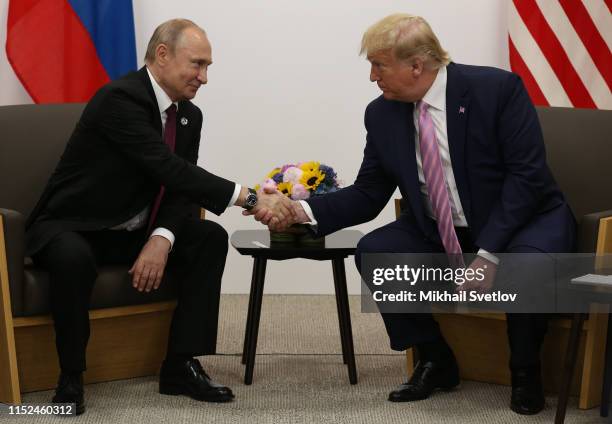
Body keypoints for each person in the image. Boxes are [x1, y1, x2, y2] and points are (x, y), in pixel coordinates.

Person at [252, 14, 575, 415]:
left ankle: (526, 371)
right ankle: (435, 359)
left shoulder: (495, 89)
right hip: (443, 227)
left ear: (416, 66)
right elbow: (370, 193)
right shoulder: (383, 113)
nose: (372, 76)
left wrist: (490, 252)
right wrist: (300, 210)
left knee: (525, 267)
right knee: (377, 251)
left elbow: (526, 178)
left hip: (524, 220)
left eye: (379, 65)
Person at [26, 19, 288, 415]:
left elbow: (181, 189)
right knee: (71, 258)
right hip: (73, 225)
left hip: (132, 229)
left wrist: (162, 238)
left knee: (208, 238)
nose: (203, 77)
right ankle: (71, 377)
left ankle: (180, 365)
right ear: (162, 55)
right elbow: (168, 168)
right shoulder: (119, 99)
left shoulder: (188, 116)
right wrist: (249, 197)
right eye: (197, 64)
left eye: (208, 67)